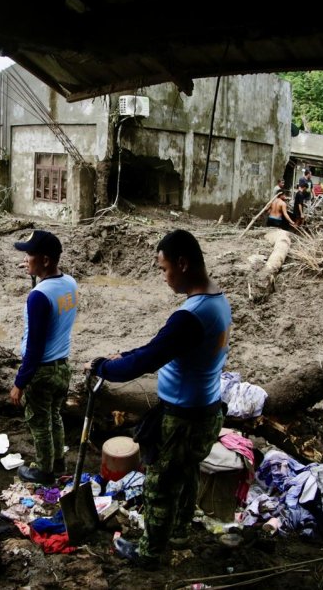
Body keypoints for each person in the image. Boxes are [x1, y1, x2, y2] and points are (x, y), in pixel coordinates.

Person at [87, 229, 230, 569]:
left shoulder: (191, 316)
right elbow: (159, 347)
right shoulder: (217, 301)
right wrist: (125, 354)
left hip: (183, 418)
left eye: (164, 269)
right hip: (206, 410)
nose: (163, 277)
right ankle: (179, 531)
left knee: (161, 484)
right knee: (185, 474)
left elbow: (146, 361)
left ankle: (150, 553)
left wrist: (103, 367)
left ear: (182, 263)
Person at [10, 230, 78, 484]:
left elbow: (35, 347)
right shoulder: (69, 283)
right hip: (62, 366)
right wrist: (33, 274)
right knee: (54, 417)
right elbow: (50, 305)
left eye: (30, 255)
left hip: (42, 370)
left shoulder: (39, 296)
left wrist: (20, 382)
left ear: (46, 260)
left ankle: (43, 470)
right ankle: (58, 462)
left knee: (40, 424)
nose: (25, 259)